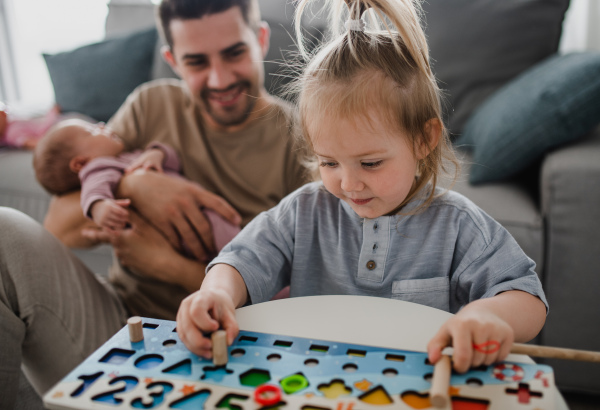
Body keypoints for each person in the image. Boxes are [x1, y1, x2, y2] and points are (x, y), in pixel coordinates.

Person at [176, 0, 548, 374]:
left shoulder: (457, 224)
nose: (349, 183)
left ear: (424, 139)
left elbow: (526, 297)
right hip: (313, 384)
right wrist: (216, 294)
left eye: (370, 163)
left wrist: (488, 316)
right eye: (329, 162)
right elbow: (242, 260)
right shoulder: (303, 212)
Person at [0, 0, 307, 407]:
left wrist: (172, 267)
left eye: (234, 53)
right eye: (196, 62)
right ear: (172, 60)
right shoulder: (152, 105)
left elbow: (304, 292)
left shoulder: (299, 136)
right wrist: (137, 184)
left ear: (261, 38)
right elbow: (59, 226)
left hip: (236, 339)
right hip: (122, 323)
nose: (219, 78)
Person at [33, 119, 239, 259]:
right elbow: (94, 192)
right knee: (239, 253)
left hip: (200, 216)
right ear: (80, 163)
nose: (103, 125)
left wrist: (157, 154)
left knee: (240, 249)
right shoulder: (99, 168)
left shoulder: (125, 159)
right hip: (195, 224)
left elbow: (174, 160)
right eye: (93, 130)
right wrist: (100, 207)